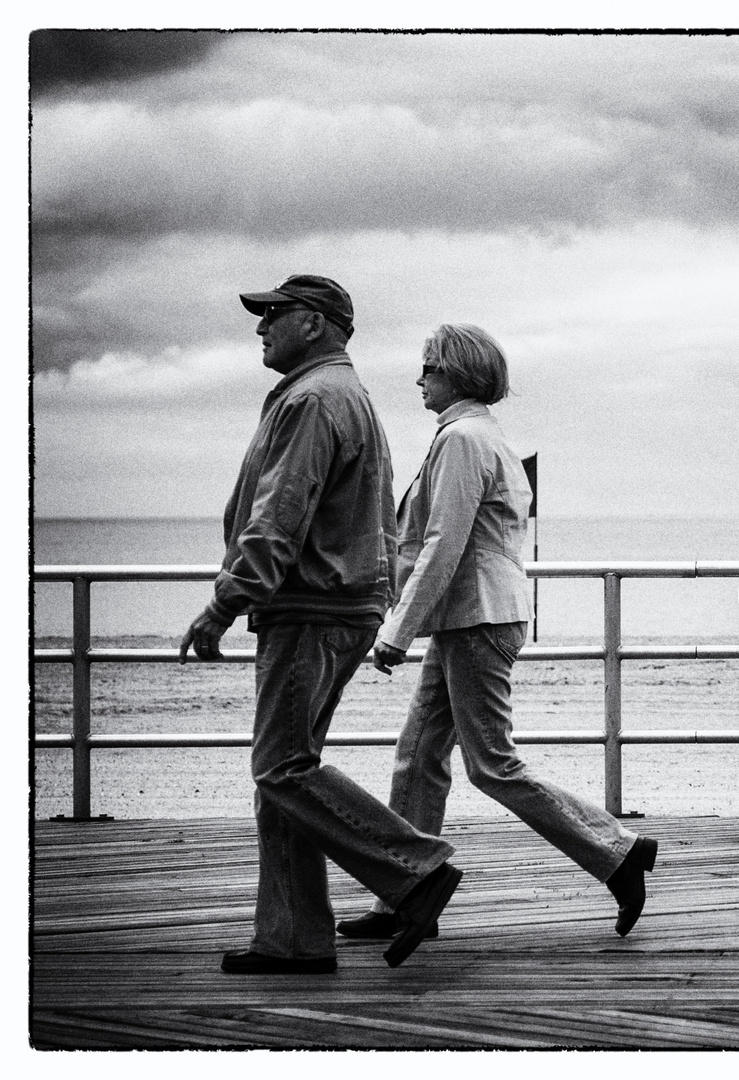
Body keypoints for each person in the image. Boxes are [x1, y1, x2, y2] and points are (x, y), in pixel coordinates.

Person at [334, 323, 658, 942]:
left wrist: (397, 631)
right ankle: (402, 895)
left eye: (429, 367)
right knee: (418, 756)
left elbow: (443, 543)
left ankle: (617, 852)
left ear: (457, 373)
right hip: (471, 615)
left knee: (492, 765)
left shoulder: (463, 439)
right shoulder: (478, 436)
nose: (420, 377)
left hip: (478, 616)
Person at [181, 275, 463, 974]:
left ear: (314, 323)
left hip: (312, 606)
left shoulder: (313, 399)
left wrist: (225, 602)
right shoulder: (344, 395)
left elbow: (280, 515)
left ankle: (415, 866)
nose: (261, 328)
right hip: (337, 602)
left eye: (272, 315)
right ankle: (295, 938)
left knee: (280, 766)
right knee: (287, 774)